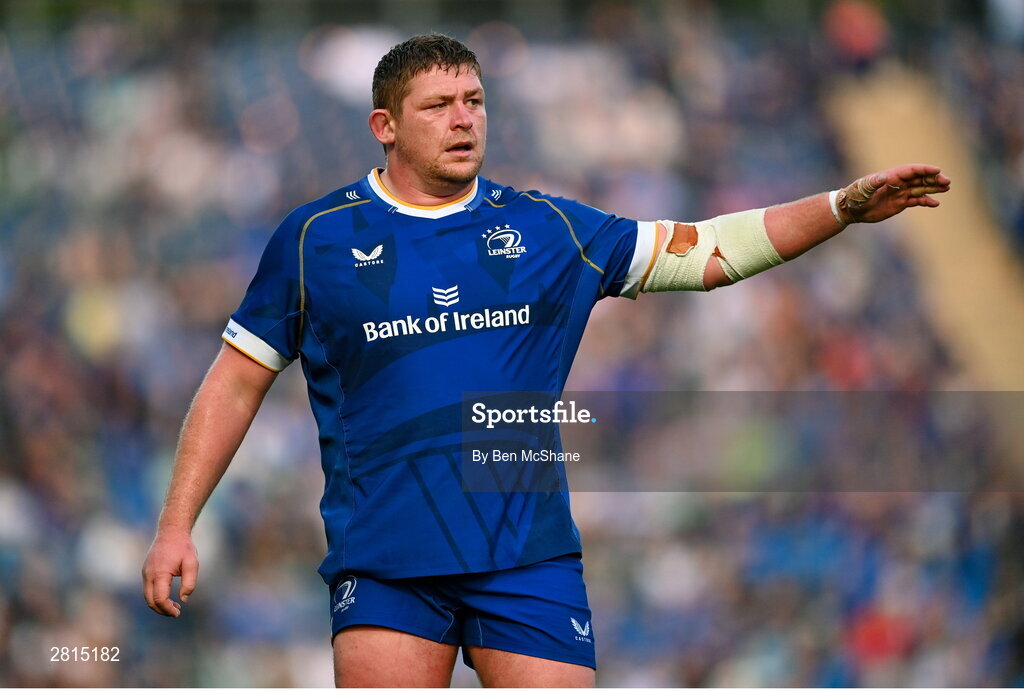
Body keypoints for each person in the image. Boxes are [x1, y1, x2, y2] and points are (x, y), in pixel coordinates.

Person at [142, 34, 951, 687]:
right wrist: (177, 525)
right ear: (385, 126)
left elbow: (709, 251)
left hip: (526, 555)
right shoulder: (316, 239)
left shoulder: (548, 229)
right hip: (386, 558)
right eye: (438, 106)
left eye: (474, 101)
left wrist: (841, 207)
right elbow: (236, 381)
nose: (463, 119)